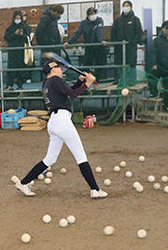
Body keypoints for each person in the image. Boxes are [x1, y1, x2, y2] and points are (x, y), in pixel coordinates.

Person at [14, 61, 107, 199]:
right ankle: (95, 189)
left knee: (49, 159)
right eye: (58, 67)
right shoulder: (55, 80)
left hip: (54, 123)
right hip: (62, 121)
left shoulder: (47, 83)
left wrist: (80, 82)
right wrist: (88, 83)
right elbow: (73, 94)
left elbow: (68, 92)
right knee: (80, 156)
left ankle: (23, 183)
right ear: (53, 70)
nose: (61, 70)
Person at [65, 7, 106, 82]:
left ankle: (97, 79)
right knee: (87, 64)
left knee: (100, 63)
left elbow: (99, 32)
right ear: (87, 15)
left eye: (94, 13)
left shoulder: (99, 20)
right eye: (91, 14)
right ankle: (85, 80)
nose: (93, 15)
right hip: (89, 47)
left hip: (99, 46)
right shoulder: (83, 23)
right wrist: (69, 42)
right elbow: (77, 34)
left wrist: (101, 41)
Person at [111, 0, 144, 86]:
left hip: (131, 47)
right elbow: (113, 33)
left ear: (131, 8)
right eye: (124, 6)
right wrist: (116, 43)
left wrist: (133, 42)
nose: (125, 7)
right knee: (121, 64)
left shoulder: (136, 20)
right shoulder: (118, 20)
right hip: (120, 47)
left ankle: (132, 82)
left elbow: (139, 33)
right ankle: (122, 81)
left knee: (132, 63)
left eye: (127, 6)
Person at [4, 10, 32, 90]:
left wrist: (22, 35)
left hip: (21, 51)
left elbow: (28, 39)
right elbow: (7, 38)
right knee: (11, 68)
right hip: (12, 51)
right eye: (16, 18)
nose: (18, 20)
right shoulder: (10, 28)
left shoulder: (25, 27)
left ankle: (20, 84)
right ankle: (9, 85)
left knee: (21, 68)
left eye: (19, 18)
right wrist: (15, 34)